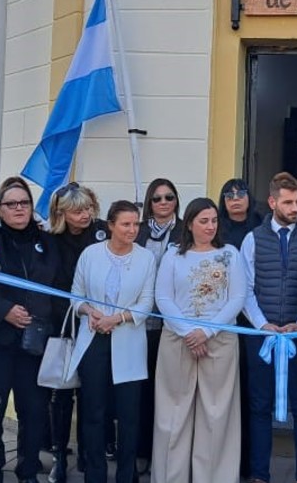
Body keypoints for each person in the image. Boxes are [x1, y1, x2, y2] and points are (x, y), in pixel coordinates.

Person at [0, 178, 61, 483]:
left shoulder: (48, 243)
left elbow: (56, 288)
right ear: (0, 210)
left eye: (24, 203)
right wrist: (5, 311)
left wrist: (38, 317)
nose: (19, 209)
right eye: (11, 204)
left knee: (33, 412)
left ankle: (28, 471)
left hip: (34, 344)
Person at [152, 198, 248, 483]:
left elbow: (237, 298)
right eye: (203, 221)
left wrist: (206, 332)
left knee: (216, 415)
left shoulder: (230, 254)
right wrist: (188, 332)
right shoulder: (173, 256)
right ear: (190, 223)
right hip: (177, 341)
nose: (209, 226)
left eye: (214, 221)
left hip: (219, 341)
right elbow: (163, 297)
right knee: (174, 414)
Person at [240, 172, 297, 483]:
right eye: (289, 202)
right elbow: (245, 289)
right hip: (262, 338)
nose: (295, 207)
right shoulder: (252, 239)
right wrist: (262, 324)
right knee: (259, 406)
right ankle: (260, 475)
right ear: (273, 201)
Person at [70, 200, 157, 483]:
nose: (132, 230)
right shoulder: (91, 254)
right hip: (93, 339)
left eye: (136, 224)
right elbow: (76, 295)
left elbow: (146, 303)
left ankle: (126, 475)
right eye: (125, 224)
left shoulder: (146, 258)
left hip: (128, 342)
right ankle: (95, 475)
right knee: (94, 412)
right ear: (110, 225)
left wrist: (117, 319)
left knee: (129, 416)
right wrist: (90, 311)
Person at [48, 182, 110, 483]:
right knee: (61, 394)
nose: (84, 215)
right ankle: (60, 455)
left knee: (92, 393)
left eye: (87, 208)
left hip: (96, 323)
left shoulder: (102, 231)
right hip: (62, 323)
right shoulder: (50, 240)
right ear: (62, 214)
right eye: (76, 211)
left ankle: (89, 453)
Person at [215, 177, 262, 480]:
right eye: (228, 195)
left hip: (254, 320)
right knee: (223, 392)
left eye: (240, 193)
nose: (235, 199)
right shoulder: (215, 227)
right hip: (221, 319)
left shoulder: (261, 226)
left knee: (250, 392)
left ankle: (248, 461)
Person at [135, 178, 181, 473]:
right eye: (157, 198)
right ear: (149, 203)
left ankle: (164, 456)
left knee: (169, 394)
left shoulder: (186, 231)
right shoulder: (136, 232)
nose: (163, 203)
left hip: (173, 326)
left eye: (169, 197)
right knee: (142, 392)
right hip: (139, 324)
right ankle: (141, 451)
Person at [218, 178, 262, 248]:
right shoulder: (216, 226)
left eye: (241, 194)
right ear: (223, 201)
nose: (235, 198)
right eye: (230, 195)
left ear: (249, 198)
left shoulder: (261, 223)